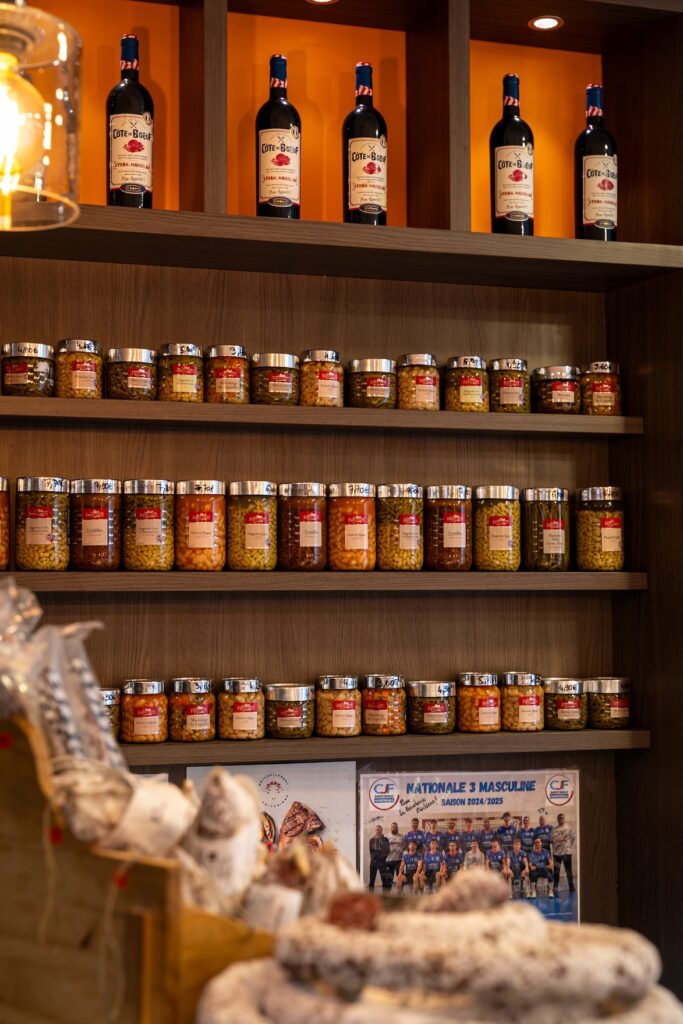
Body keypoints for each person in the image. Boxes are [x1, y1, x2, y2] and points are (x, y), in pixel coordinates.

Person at [551, 813, 576, 894]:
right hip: (557, 854)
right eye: (559, 818)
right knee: (556, 872)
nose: (561, 819)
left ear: (564, 819)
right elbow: (552, 840)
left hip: (566, 854)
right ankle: (555, 887)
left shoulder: (569, 828)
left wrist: (569, 847)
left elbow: (573, 838)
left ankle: (571, 887)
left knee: (568, 871)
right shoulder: (554, 829)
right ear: (557, 820)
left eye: (562, 818)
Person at [368, 824, 391, 893]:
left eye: (379, 829)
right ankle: (370, 897)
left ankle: (385, 896)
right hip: (373, 862)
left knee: (384, 880)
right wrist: (374, 858)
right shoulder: (371, 840)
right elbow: (371, 851)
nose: (378, 831)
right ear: (375, 830)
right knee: (372, 880)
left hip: (382, 862)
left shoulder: (385, 839)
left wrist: (381, 857)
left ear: (381, 830)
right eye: (377, 829)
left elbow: (387, 850)